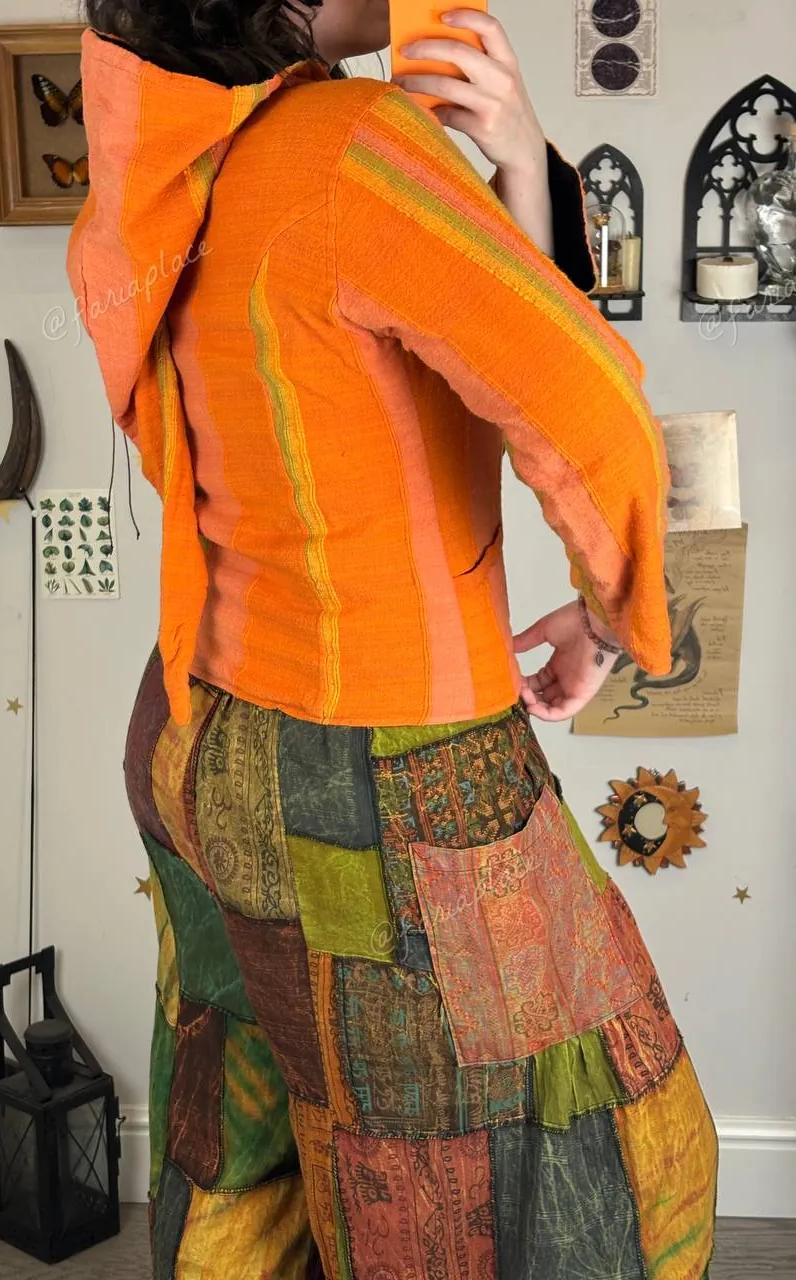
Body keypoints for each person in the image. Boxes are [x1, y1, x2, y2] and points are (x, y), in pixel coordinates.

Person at [68, 3, 718, 1276]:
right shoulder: (348, 144)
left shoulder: (167, 154)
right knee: (569, 1170)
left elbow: (477, 351)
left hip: (198, 729)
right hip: (380, 775)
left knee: (250, 1135)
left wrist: (518, 163)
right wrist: (613, 617)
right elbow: (584, 404)